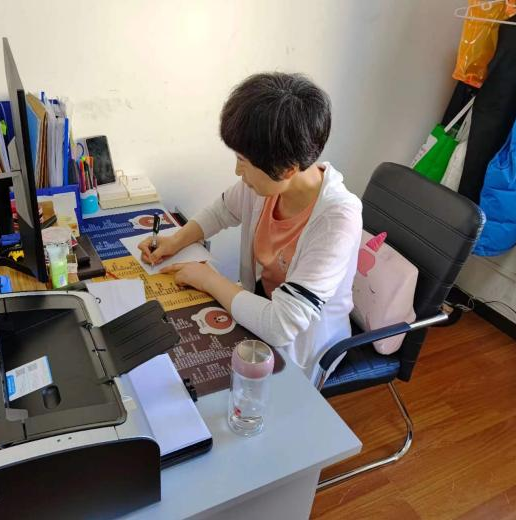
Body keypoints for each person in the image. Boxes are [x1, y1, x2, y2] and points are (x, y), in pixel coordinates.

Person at [139, 72, 362, 381]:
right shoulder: (265, 184)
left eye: (243, 161)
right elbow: (221, 211)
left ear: (287, 169)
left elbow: (280, 325)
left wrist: (209, 280)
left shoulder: (337, 220)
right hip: (258, 313)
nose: (237, 170)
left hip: (300, 350)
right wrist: (174, 241)